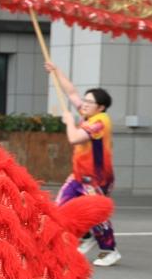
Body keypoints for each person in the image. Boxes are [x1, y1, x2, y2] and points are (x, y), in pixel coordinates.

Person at [45, 62, 119, 267]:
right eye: (85, 100)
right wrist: (56, 71)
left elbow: (74, 138)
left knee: (96, 214)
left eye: (89, 102)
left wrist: (69, 121)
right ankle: (85, 236)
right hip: (79, 175)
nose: (84, 104)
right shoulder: (89, 114)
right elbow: (71, 92)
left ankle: (109, 251)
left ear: (100, 107)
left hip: (97, 179)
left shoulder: (100, 122)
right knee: (61, 208)